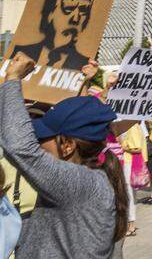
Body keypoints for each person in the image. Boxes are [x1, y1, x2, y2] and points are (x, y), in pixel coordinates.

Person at [0, 51, 128, 257]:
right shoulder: (92, 179)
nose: (37, 144)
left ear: (67, 145)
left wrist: (13, 79)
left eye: (42, 138)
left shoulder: (82, 183)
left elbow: (20, 147)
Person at [9, 0, 97, 70]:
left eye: (83, 11)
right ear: (50, 13)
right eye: (68, 9)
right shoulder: (21, 54)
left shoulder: (85, 65)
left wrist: (87, 80)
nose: (75, 18)